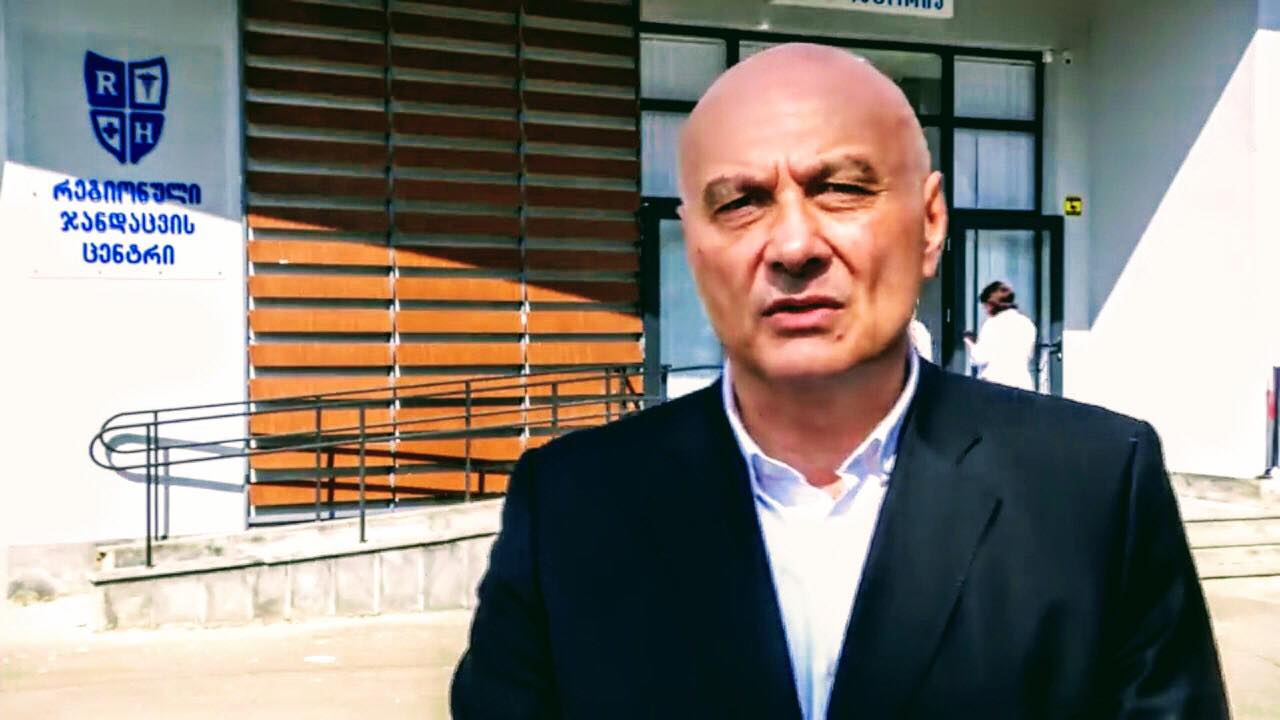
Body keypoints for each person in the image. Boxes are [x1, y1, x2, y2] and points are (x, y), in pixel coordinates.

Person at [452, 44, 1226, 719]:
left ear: (930, 223)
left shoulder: (1092, 488)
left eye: (842, 189)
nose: (793, 246)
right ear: (693, 246)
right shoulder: (573, 507)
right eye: (742, 201)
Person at [964, 280, 1037, 390]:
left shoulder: (992, 324)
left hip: (997, 384)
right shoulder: (1028, 324)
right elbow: (1029, 355)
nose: (985, 311)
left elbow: (980, 357)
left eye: (985, 306)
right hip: (1023, 384)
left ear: (991, 304)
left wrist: (970, 342)